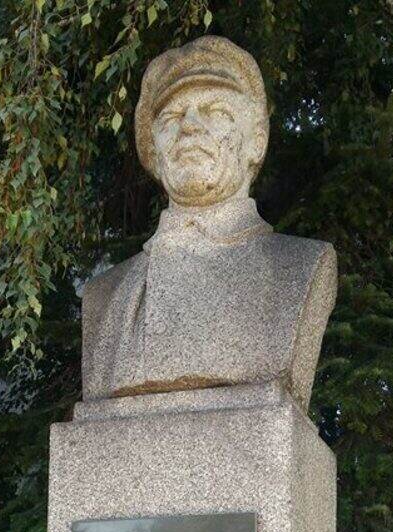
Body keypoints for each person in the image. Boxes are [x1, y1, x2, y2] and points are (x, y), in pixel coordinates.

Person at [82, 35, 337, 409]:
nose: (189, 127)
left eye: (216, 111)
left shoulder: (300, 267)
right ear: (152, 151)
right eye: (171, 117)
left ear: (257, 141)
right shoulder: (103, 297)